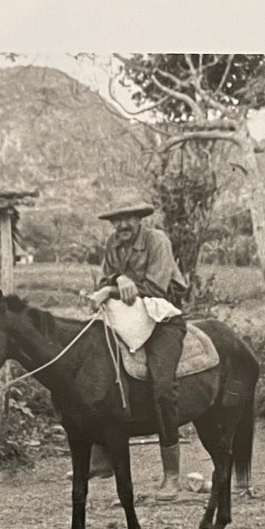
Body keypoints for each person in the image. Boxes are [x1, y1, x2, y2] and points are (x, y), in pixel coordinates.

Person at [93, 196, 190, 498]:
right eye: (116, 220)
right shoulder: (113, 243)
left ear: (140, 219)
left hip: (162, 316)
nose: (121, 225)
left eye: (128, 218)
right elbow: (105, 279)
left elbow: (157, 287)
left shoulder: (157, 241)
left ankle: (171, 474)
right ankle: (101, 457)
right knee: (96, 370)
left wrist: (112, 287)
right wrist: (116, 279)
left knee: (163, 386)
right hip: (128, 317)